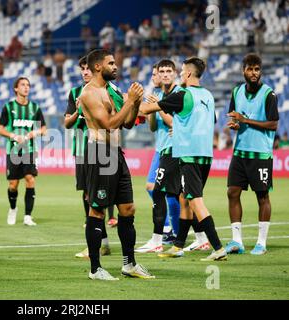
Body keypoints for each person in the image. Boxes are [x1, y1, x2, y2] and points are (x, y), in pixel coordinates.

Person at [140, 56, 227, 261]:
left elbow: (146, 110)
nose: (179, 75)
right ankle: (178, 245)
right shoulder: (208, 95)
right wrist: (179, 127)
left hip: (189, 155)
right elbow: (208, 119)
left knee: (195, 201)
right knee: (185, 198)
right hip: (206, 154)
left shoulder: (182, 95)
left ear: (188, 73)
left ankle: (217, 247)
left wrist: (134, 100)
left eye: (181, 72)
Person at [79, 49, 155, 280]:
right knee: (98, 210)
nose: (116, 66)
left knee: (128, 208)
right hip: (100, 154)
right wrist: (130, 101)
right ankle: (95, 269)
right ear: (98, 66)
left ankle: (129, 264)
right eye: (111, 63)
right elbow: (108, 124)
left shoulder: (111, 89)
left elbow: (128, 123)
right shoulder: (89, 93)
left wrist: (135, 103)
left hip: (116, 153)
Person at [64, 55, 122, 259]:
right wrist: (78, 110)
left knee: (103, 197)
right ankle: (101, 244)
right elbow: (67, 123)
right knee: (88, 197)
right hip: (82, 150)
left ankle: (99, 246)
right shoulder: (75, 93)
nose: (85, 72)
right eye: (82, 69)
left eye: (88, 69)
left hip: (104, 147)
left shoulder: (108, 90)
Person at [225, 53, 279, 255]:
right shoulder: (236, 91)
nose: (254, 73)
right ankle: (237, 241)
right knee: (232, 193)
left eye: (257, 69)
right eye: (250, 69)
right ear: (243, 71)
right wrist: (235, 124)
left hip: (260, 155)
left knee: (262, 196)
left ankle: (261, 243)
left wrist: (245, 121)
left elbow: (273, 124)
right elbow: (235, 118)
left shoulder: (269, 94)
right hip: (240, 153)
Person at [135, 59, 185, 253]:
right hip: (164, 148)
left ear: (174, 73)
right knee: (176, 194)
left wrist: (159, 106)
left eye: (167, 71)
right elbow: (154, 127)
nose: (164, 74)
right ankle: (184, 236)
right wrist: (152, 112)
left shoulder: (178, 94)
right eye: (161, 71)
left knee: (158, 191)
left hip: (175, 150)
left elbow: (175, 123)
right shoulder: (158, 95)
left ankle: (160, 238)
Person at [0, 77, 47, 226]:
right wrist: (13, 135)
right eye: (23, 85)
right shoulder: (8, 106)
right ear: (16, 89)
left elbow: (43, 129)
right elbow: (0, 128)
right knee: (13, 184)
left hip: (30, 150)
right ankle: (13, 209)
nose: (26, 88)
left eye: (28, 85)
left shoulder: (35, 108)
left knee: (30, 179)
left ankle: (27, 216)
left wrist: (34, 133)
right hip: (13, 151)